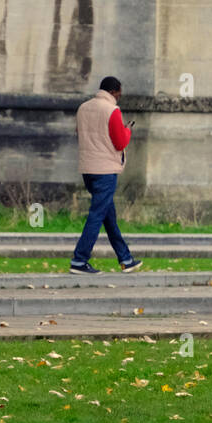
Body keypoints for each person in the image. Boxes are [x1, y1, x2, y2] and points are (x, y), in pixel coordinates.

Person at [70, 75, 143, 274]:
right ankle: (79, 260)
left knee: (108, 216)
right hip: (105, 171)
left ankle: (126, 259)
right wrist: (127, 130)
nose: (119, 97)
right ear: (113, 91)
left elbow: (81, 134)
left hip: (88, 169)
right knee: (96, 215)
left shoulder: (83, 108)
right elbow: (120, 142)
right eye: (119, 93)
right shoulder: (112, 110)